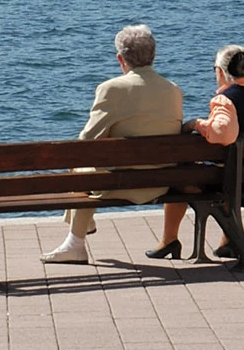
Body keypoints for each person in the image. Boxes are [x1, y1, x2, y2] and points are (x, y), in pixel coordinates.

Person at [40, 24, 184, 264]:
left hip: (119, 182)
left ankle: (76, 241)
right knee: (87, 168)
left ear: (120, 59)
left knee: (79, 167)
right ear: (154, 55)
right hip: (161, 181)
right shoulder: (173, 90)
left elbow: (87, 141)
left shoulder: (112, 89)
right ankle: (81, 230)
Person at [146, 44, 244, 259]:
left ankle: (169, 240)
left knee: (178, 175)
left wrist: (196, 124)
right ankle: (228, 241)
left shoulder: (225, 100)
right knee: (230, 171)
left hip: (229, 180)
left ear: (220, 71)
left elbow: (221, 132)